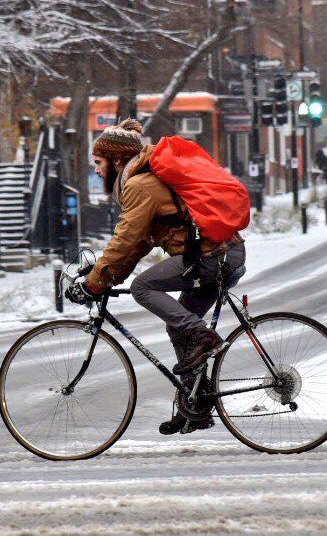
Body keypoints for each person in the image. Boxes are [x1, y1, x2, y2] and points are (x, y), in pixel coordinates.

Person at [64, 118, 245, 435]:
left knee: (143, 287)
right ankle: (195, 406)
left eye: (98, 162)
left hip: (213, 257)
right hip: (222, 255)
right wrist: (102, 276)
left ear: (117, 160)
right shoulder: (143, 181)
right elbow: (137, 243)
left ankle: (205, 337)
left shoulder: (138, 185)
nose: (95, 170)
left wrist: (94, 283)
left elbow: (124, 240)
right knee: (178, 326)